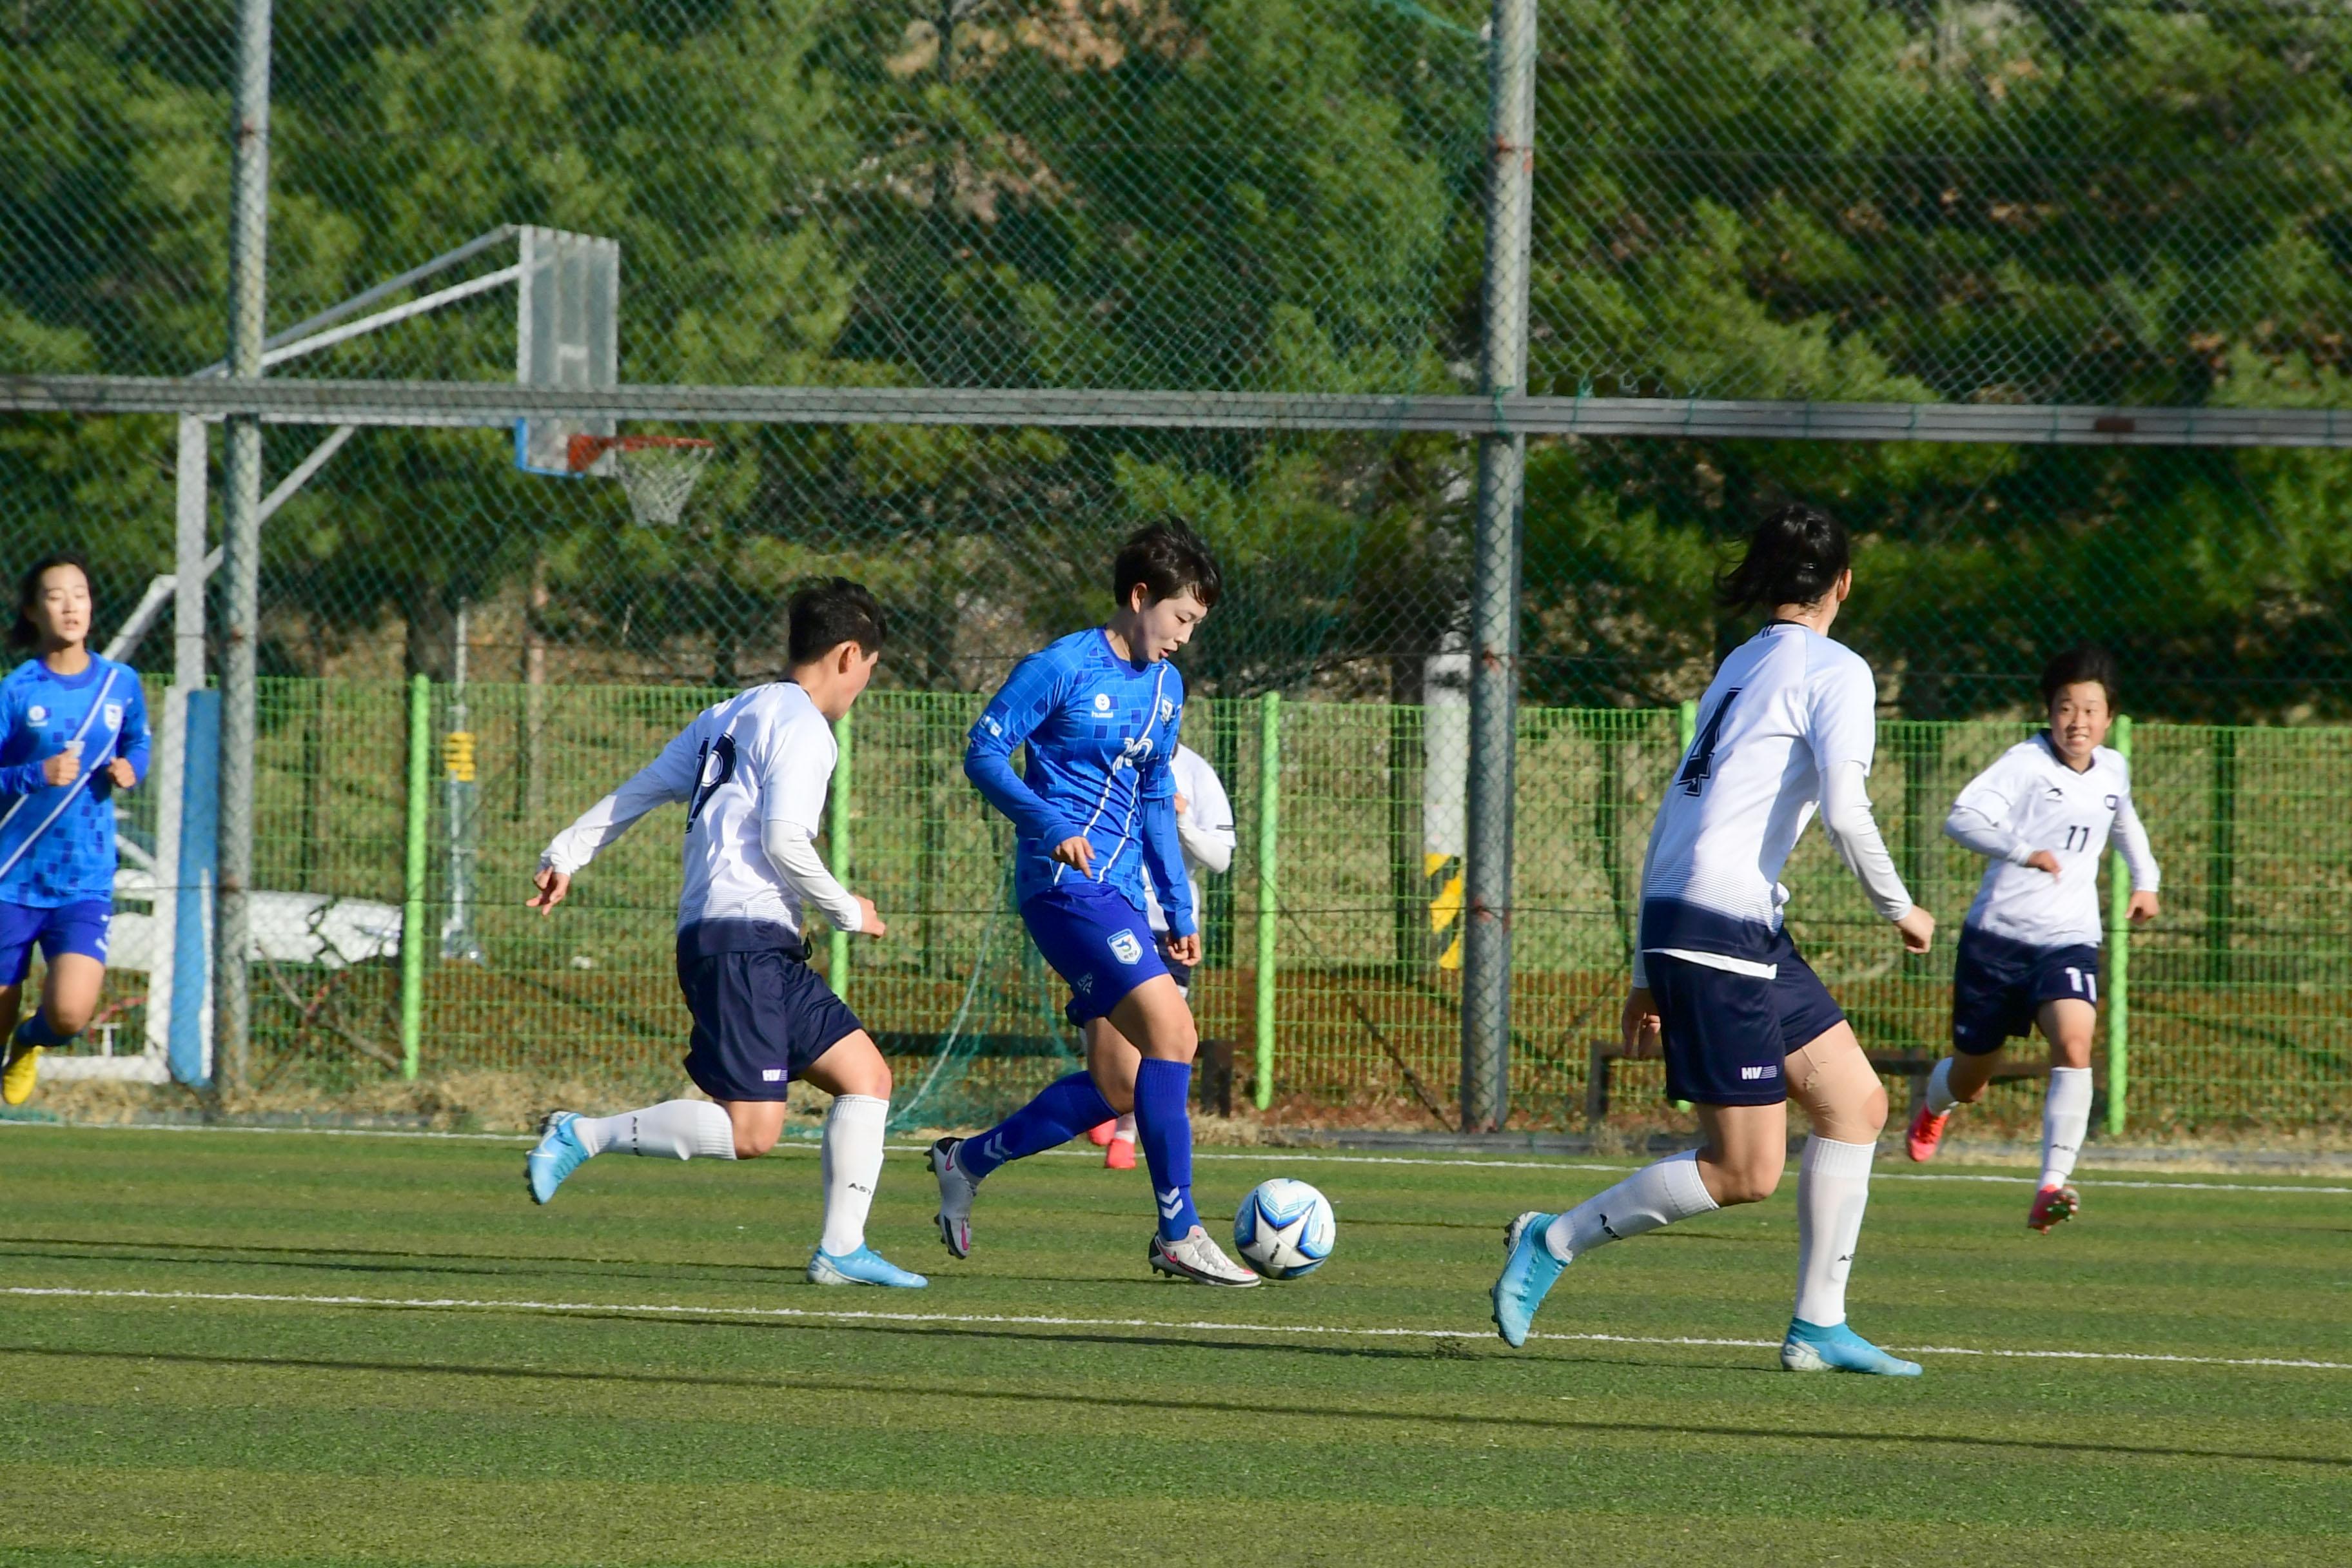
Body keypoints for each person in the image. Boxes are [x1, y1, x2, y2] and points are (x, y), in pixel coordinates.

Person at [1490, 504, 1936, 1375]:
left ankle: (1818, 1326)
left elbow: (1676, 811)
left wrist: (1643, 961)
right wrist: (1901, 907)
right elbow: (1847, 810)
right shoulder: (1837, 672)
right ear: (1844, 584)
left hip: (1714, 918)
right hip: (1721, 924)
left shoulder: (1740, 664)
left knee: (1857, 1105)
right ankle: (1554, 1237)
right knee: (1745, 1169)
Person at [520, 578, 925, 1289]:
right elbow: (784, 841)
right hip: (741, 941)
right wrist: (846, 909)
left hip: (752, 942)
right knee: (753, 1132)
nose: (864, 685)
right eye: (869, 670)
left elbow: (643, 786)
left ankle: (841, 1247)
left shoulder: (729, 713)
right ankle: (580, 1132)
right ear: (848, 654)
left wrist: (566, 851)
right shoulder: (804, 727)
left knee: (867, 1076)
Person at [928, 522, 1257, 1286]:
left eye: (1196, 624)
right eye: (1180, 618)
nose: (1185, 636)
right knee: (1176, 1031)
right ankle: (1178, 1229)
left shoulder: (1167, 689)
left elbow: (1151, 804)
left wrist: (1181, 911)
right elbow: (982, 750)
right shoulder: (1060, 666)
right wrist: (1050, 824)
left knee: (1118, 1084)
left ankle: (964, 1159)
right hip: (1062, 889)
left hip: (1122, 901)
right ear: (1139, 597)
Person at [1906, 646, 2160, 1231]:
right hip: (1997, 941)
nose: (2078, 721)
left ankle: (2053, 1183)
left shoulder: (2114, 769)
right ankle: (1936, 1103)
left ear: (2109, 716)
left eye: (2091, 710)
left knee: (2074, 1044)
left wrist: (2146, 882)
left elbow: (2124, 822)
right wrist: (2023, 851)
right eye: (2066, 708)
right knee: (1972, 1079)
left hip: (2068, 939)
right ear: (2048, 711)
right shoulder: (2024, 764)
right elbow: (1961, 817)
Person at [0, 555, 150, 1107]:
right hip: (10, 879)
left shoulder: (120, 683)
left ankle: (28, 1043)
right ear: (32, 611)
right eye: (56, 596)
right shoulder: (16, 692)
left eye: (80, 594)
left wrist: (134, 768)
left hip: (84, 878)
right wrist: (34, 774)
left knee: (68, 1014)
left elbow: (138, 740)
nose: (70, 606)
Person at [1086, 741, 1235, 1170]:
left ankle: (1127, 1137)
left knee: (1160, 1039)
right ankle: (1103, 1101)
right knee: (1102, 1027)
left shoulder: (1196, 772)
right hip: (1110, 912)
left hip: (1168, 925)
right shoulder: (1106, 755)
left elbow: (1220, 859)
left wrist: (1182, 819)